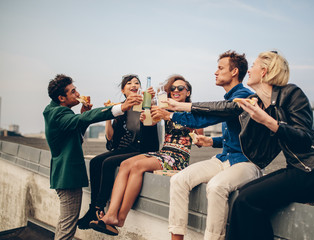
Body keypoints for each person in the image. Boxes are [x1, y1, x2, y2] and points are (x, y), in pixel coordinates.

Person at [165, 51, 314, 240]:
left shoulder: (291, 94)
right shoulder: (257, 101)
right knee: (242, 198)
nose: (250, 70)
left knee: (244, 199)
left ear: (264, 71)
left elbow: (304, 138)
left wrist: (270, 122)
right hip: (295, 167)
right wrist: (179, 107)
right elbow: (223, 109)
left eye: (254, 66)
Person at [153, 50, 262, 240]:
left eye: (220, 68)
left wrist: (170, 114)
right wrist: (212, 141)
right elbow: (235, 137)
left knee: (216, 186)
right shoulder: (229, 97)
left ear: (234, 71)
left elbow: (205, 117)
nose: (215, 72)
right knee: (178, 180)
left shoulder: (243, 95)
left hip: (247, 163)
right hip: (224, 159)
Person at [89, 74, 203, 236]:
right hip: (164, 152)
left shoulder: (194, 110)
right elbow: (150, 121)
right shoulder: (166, 107)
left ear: (188, 92)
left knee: (137, 166)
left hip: (178, 156)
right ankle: (110, 215)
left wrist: (193, 131)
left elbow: (199, 139)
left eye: (180, 88)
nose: (176, 90)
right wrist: (146, 115)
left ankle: (120, 219)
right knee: (125, 164)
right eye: (173, 88)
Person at [43, 74, 142, 240]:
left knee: (65, 223)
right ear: (61, 98)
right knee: (67, 226)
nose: (77, 94)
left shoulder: (55, 112)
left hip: (65, 177)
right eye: (73, 91)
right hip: (67, 177)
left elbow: (74, 134)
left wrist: (83, 118)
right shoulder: (58, 114)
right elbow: (83, 119)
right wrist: (120, 108)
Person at [77, 74, 160, 229]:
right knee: (95, 162)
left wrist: (152, 100)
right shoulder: (121, 108)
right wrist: (109, 115)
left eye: (137, 83)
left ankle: (99, 207)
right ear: (123, 90)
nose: (134, 85)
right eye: (129, 83)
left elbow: (154, 122)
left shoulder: (146, 102)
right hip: (127, 148)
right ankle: (94, 209)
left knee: (108, 163)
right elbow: (111, 139)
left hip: (143, 149)